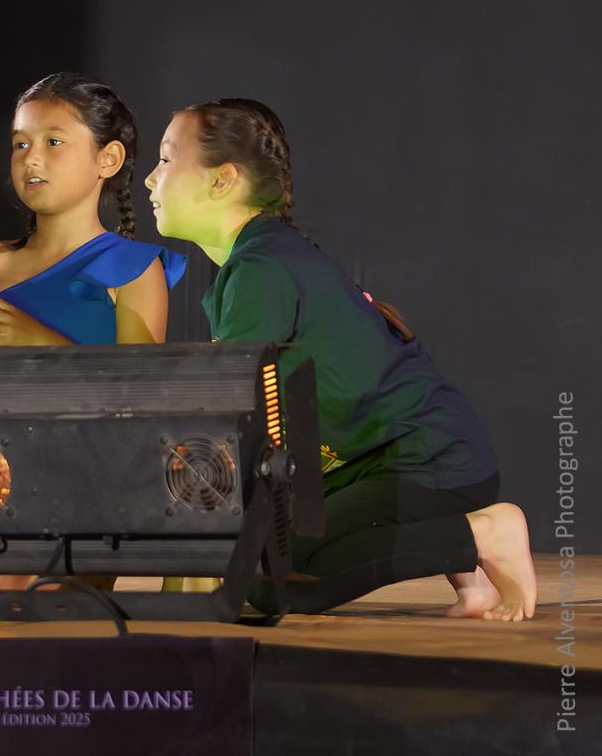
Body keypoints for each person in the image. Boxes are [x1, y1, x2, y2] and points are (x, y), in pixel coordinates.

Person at [144, 97, 537, 621]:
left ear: (223, 180)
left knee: (273, 583)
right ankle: (472, 574)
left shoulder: (263, 268)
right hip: (396, 462)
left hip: (429, 462)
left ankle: (484, 536)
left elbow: (224, 419)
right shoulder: (261, 259)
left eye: (166, 159)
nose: (150, 179)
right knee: (263, 547)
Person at [0, 72, 184, 599]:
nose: (31, 158)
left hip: (87, 472)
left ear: (108, 160)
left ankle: (85, 559)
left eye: (53, 142)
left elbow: (136, 400)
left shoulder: (134, 268)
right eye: (20, 144)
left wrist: (37, 342)